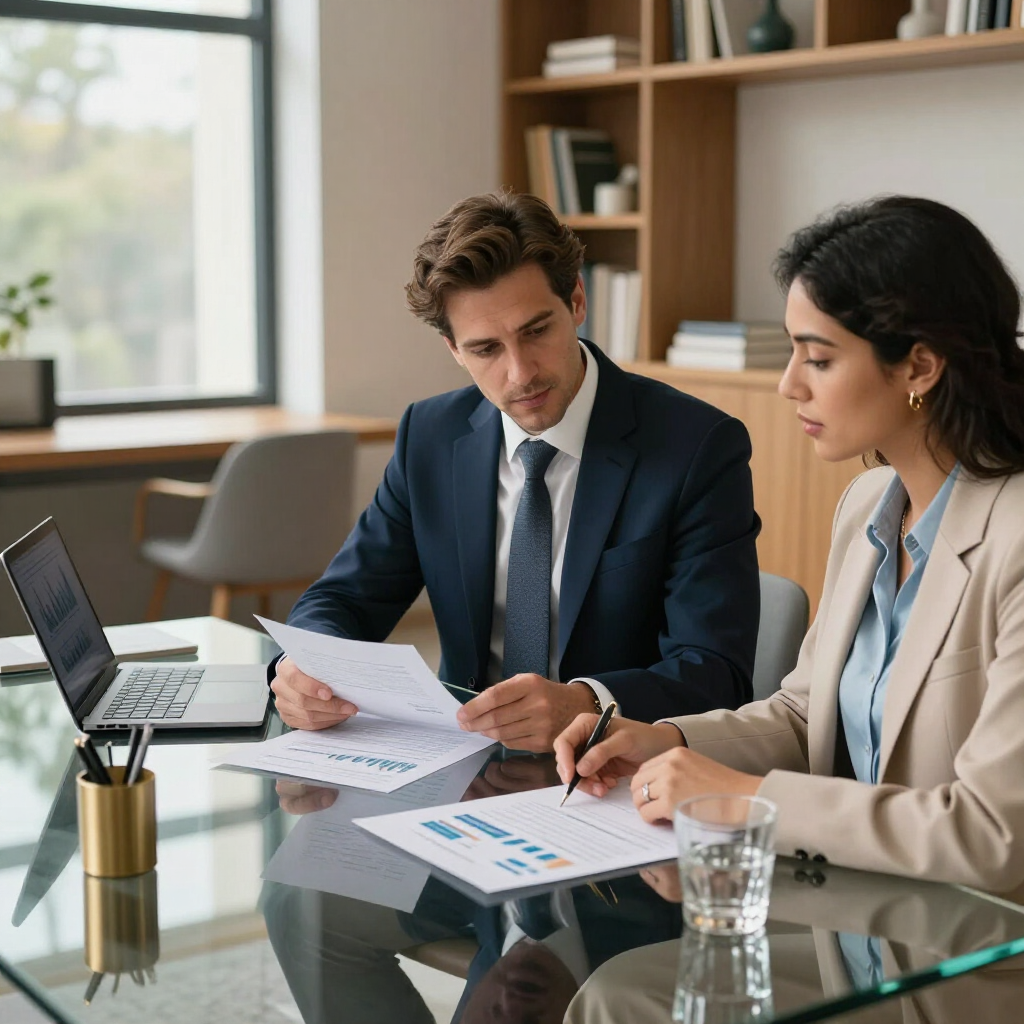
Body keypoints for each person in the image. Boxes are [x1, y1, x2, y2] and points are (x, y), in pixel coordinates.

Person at [555, 195, 1024, 899]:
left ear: (919, 367)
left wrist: (746, 799)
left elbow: (992, 835)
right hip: (851, 905)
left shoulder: (1014, 539)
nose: (787, 383)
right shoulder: (868, 505)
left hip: (969, 946)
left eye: (819, 358)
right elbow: (806, 715)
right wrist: (672, 742)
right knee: (607, 1003)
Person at [270, 191, 760, 751]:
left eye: (536, 331)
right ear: (454, 349)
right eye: (486, 349)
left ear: (576, 301)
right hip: (463, 759)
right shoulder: (430, 437)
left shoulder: (697, 446)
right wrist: (301, 668)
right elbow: (343, 599)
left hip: (617, 769)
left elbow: (716, 671)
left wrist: (586, 702)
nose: (520, 373)